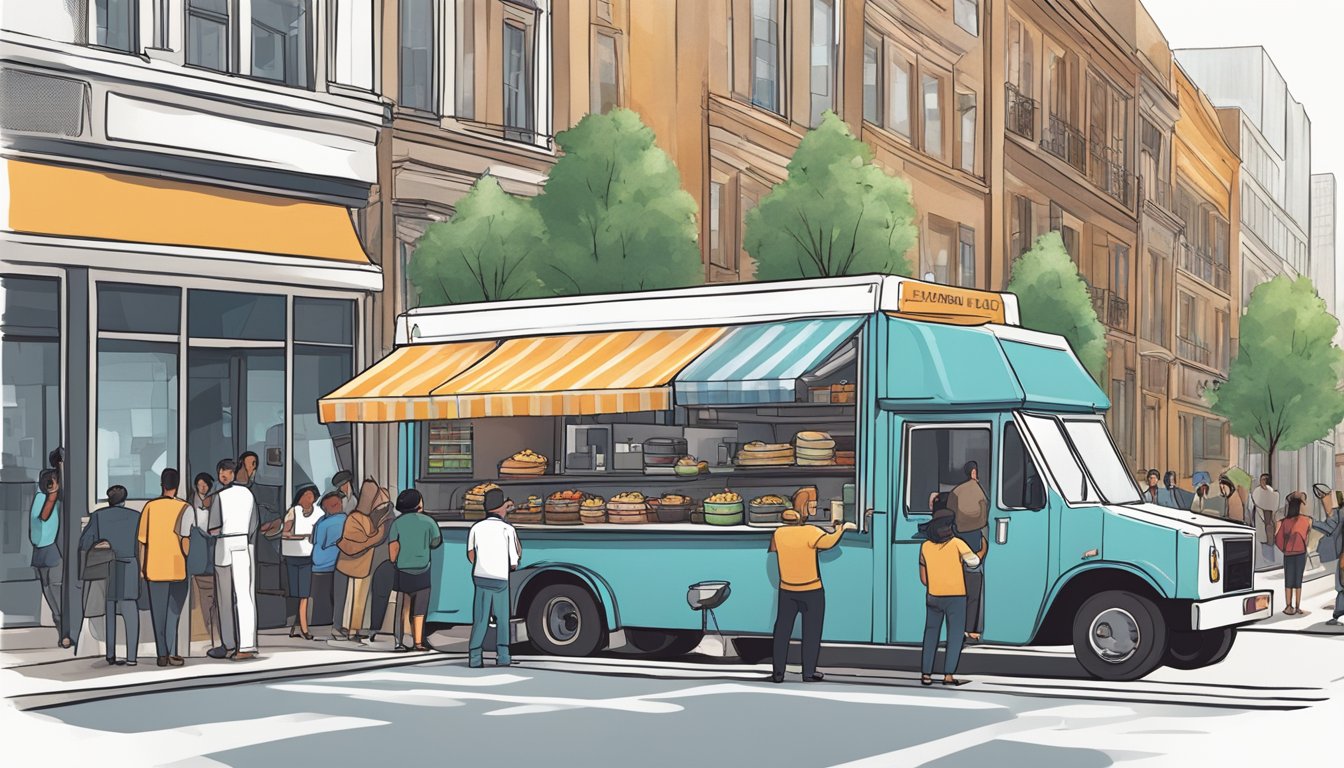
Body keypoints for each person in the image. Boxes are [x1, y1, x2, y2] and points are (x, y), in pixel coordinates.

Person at [766, 504, 855, 683]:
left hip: (787, 589)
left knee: (782, 631)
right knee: (811, 633)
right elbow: (829, 542)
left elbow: (773, 551)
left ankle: (778, 673)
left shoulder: (778, 534)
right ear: (801, 519)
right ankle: (808, 673)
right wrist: (842, 528)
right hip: (811, 589)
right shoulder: (810, 531)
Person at [919, 506, 985, 686]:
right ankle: (948, 675)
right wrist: (982, 550)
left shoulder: (925, 547)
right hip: (956, 597)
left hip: (933, 596)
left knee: (930, 634)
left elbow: (924, 579)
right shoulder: (957, 543)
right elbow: (974, 562)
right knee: (954, 636)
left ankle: (926, 674)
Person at [79, 486, 142, 666]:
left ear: (109, 500)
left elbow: (85, 542)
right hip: (129, 565)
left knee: (109, 609)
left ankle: (110, 654)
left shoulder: (99, 516)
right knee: (130, 610)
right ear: (124, 499)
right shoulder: (136, 516)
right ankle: (132, 657)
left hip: (107, 565)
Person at [137, 468, 191, 667]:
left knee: (157, 614)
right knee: (173, 613)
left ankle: (161, 654)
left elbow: (142, 541)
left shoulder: (150, 507)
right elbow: (186, 542)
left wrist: (142, 568)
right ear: (177, 486)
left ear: (162, 484)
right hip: (178, 567)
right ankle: (172, 652)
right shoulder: (185, 508)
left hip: (154, 568)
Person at [208, 458, 260, 661]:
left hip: (223, 546)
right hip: (244, 545)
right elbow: (254, 525)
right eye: (221, 471)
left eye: (227, 471)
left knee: (224, 599)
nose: (223, 474)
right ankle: (247, 644)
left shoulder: (219, 497)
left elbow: (213, 528)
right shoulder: (249, 495)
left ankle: (229, 644)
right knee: (245, 596)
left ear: (233, 473)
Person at [467, 489, 521, 668]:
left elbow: (470, 554)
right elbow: (514, 562)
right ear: (501, 509)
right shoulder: (508, 529)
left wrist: (482, 563)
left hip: (480, 577)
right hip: (500, 580)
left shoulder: (476, 527)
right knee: (502, 619)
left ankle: (475, 657)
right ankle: (503, 656)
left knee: (481, 618)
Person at [388, 489, 442, 652]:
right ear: (418, 504)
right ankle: (418, 642)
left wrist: (395, 560)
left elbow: (393, 548)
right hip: (423, 569)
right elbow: (436, 542)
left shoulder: (397, 523)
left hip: (403, 570)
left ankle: (399, 641)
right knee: (420, 609)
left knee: (402, 609)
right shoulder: (428, 521)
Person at [336, 490, 388, 643]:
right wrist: (378, 534)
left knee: (356, 598)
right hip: (356, 565)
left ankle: (353, 629)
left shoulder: (357, 517)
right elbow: (363, 541)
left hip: (360, 564)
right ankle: (352, 631)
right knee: (355, 599)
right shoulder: (357, 518)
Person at [947, 461, 988, 642]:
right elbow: (984, 514)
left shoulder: (955, 492)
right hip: (974, 541)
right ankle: (971, 629)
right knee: (973, 593)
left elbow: (949, 513)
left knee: (958, 593)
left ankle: (957, 628)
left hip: (957, 540)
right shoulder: (978, 490)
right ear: (973, 472)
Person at [29, 468, 69, 648]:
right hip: (45, 552)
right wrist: (53, 494)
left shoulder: (50, 499)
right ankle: (63, 633)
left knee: (54, 593)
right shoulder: (41, 498)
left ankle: (63, 635)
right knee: (52, 595)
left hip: (46, 551)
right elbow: (44, 516)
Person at [281, 485, 323, 640]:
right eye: (305, 495)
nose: (308, 498)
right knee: (295, 592)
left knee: (304, 593)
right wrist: (295, 536)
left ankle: (303, 627)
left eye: (311, 495)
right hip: (292, 554)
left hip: (308, 555)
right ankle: (297, 625)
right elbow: (285, 531)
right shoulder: (293, 511)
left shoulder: (319, 513)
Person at [186, 473, 220, 652]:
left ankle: (213, 630)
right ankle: (204, 631)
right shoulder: (190, 505)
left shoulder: (215, 503)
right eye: (199, 485)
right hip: (199, 549)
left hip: (212, 548)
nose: (203, 488)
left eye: (205, 485)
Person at [310, 492, 350, 639]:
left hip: (320, 564)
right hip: (336, 565)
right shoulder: (345, 520)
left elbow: (315, 542)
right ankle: (338, 626)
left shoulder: (322, 521)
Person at [1274, 493, 1312, 615]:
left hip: (1289, 554)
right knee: (1298, 580)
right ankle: (1297, 607)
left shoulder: (1284, 522)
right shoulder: (1307, 520)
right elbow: (1307, 538)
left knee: (1288, 581)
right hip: (1301, 553)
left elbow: (1278, 539)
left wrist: (1285, 549)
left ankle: (1288, 606)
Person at [1252, 474, 1280, 547]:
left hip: (1269, 521)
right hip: (1260, 520)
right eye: (1262, 479)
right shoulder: (1257, 491)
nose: (1263, 481)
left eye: (1265, 479)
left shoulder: (1273, 492)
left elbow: (1274, 506)